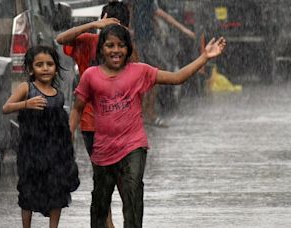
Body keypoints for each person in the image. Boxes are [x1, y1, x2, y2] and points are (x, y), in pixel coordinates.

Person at [69, 24, 225, 228]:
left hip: (133, 146)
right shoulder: (91, 76)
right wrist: (68, 134)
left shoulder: (140, 71)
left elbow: (177, 78)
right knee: (99, 207)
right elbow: (77, 108)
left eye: (121, 46)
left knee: (133, 196)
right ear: (101, 49)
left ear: (128, 49)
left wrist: (204, 57)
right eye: (110, 45)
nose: (116, 50)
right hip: (103, 150)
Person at [56, 2, 131, 227]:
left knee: (124, 183)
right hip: (93, 126)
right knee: (104, 179)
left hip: (120, 128)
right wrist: (93, 25)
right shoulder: (89, 42)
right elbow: (61, 39)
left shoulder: (128, 50)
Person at [2, 45, 80, 228]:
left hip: (55, 152)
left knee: (56, 190)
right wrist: (26, 104)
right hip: (31, 150)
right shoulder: (27, 88)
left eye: (50, 64)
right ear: (30, 69)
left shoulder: (59, 95)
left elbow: (62, 123)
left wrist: (69, 139)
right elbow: (6, 108)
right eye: (39, 64)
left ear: (56, 68)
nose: (45, 68)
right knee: (28, 189)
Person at [125, 0, 196, 127]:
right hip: (138, 41)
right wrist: (129, 31)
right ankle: (142, 114)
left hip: (147, 41)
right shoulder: (135, 4)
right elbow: (129, 12)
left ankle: (148, 113)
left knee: (153, 74)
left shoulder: (149, 3)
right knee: (140, 77)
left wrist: (183, 29)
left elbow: (161, 14)